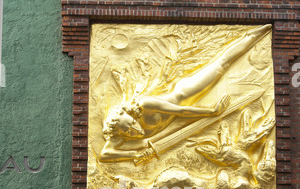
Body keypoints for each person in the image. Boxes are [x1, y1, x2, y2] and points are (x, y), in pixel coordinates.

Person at [100, 24, 272, 162]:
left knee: (222, 64)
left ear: (133, 115)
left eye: (131, 124)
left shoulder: (146, 106)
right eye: (128, 132)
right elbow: (104, 154)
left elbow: (180, 111)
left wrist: (212, 111)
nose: (134, 130)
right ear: (120, 133)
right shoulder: (119, 132)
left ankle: (254, 35)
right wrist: (134, 155)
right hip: (179, 122)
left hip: (185, 95)